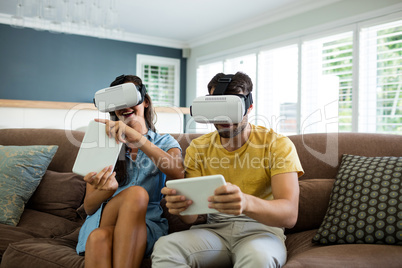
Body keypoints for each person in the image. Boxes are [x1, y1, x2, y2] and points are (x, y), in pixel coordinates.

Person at [152, 72, 304, 268]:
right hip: (214, 230)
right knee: (166, 247)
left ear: (249, 107)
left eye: (231, 107)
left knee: (259, 258)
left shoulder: (277, 144)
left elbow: (289, 215)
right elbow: (190, 217)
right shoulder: (198, 148)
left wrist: (246, 202)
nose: (223, 117)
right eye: (217, 107)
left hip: (262, 230)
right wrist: (182, 207)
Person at [76, 75, 184, 268]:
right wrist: (107, 190)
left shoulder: (165, 143)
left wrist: (138, 139)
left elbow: (177, 172)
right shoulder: (102, 142)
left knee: (99, 238)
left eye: (130, 98)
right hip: (105, 218)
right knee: (135, 193)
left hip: (144, 225)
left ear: (146, 102)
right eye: (117, 102)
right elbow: (89, 207)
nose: (124, 106)